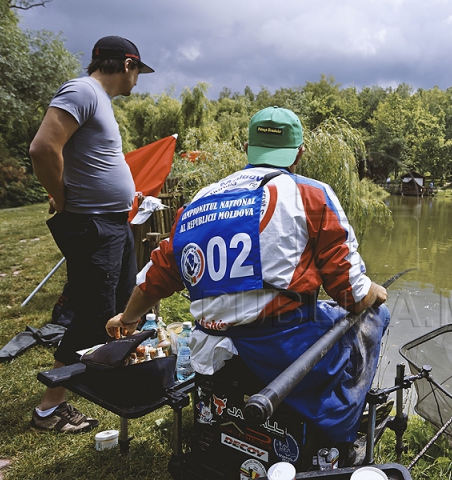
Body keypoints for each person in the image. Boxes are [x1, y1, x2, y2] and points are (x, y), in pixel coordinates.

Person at [106, 107, 390, 449]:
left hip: (209, 345)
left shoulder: (199, 201)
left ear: (246, 148)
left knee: (323, 311)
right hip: (280, 347)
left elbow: (157, 275)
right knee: (373, 314)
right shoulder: (311, 195)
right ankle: (340, 425)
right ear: (299, 152)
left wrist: (128, 318)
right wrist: (373, 290)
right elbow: (352, 295)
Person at [29, 36, 154, 433]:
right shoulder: (82, 90)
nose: (138, 81)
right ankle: (50, 408)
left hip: (111, 223)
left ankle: (111, 378)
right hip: (93, 225)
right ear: (128, 64)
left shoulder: (98, 99)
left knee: (121, 302)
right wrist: (60, 196)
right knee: (92, 313)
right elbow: (43, 148)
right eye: (139, 72)